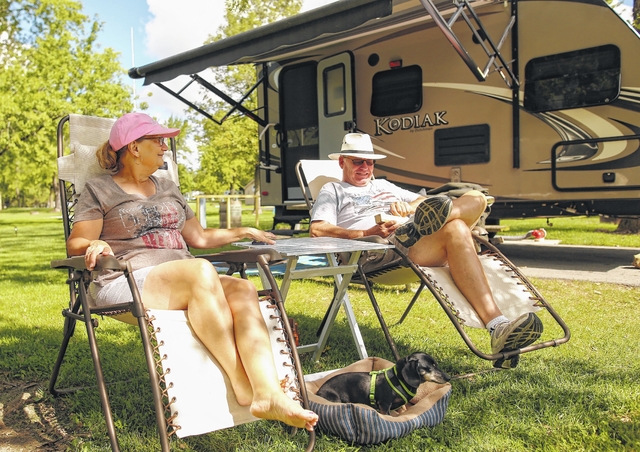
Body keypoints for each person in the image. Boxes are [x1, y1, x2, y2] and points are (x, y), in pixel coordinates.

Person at [67, 112, 318, 431]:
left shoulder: (168, 187)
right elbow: (76, 241)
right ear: (133, 147)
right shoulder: (99, 189)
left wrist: (241, 231)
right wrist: (95, 244)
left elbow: (198, 238)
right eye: (157, 141)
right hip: (124, 280)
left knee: (244, 289)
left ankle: (267, 393)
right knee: (200, 271)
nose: (164, 148)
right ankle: (243, 385)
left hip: (186, 279)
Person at [309, 132, 543, 369]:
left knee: (476, 197)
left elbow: (426, 201)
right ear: (342, 162)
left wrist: (409, 207)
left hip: (414, 239)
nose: (365, 167)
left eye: (369, 162)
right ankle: (498, 325)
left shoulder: (383, 185)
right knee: (457, 227)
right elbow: (317, 230)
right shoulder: (333, 190)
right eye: (357, 161)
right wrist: (366, 232)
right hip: (378, 249)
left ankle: (498, 327)